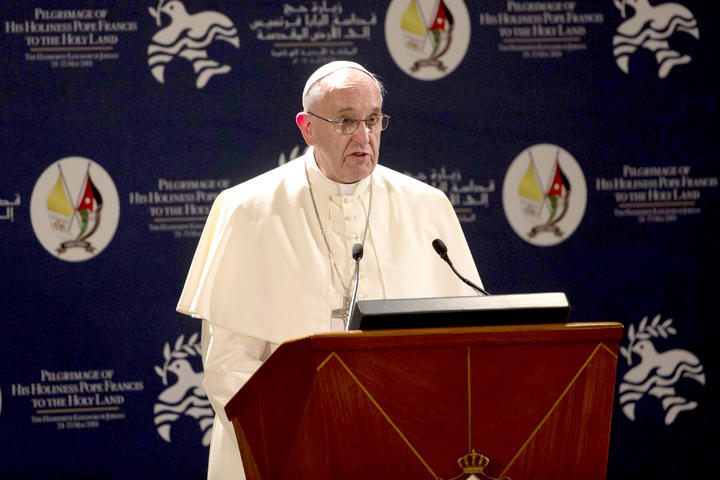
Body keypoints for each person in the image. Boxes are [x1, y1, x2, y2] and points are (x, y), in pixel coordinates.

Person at [177, 61, 483, 479]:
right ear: (307, 128)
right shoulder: (247, 210)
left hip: (402, 449)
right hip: (287, 453)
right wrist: (307, 442)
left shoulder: (427, 206)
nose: (364, 136)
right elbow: (229, 367)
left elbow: (459, 347)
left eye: (373, 120)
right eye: (345, 122)